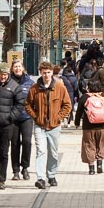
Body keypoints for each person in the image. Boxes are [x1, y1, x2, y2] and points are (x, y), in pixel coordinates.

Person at [24, 60, 72, 189]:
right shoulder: (34, 88)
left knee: (53, 152)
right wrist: (35, 117)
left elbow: (67, 105)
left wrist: (58, 117)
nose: (46, 75)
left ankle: (51, 174)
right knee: (41, 151)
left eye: (48, 73)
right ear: (40, 73)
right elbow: (28, 104)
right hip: (40, 125)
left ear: (52, 73)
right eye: (44, 73)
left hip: (54, 125)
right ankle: (40, 178)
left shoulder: (60, 87)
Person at [75, 79, 104, 175]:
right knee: (100, 145)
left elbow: (79, 112)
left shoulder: (85, 97)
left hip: (88, 127)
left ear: (88, 87)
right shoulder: (103, 97)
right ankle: (99, 164)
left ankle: (91, 168)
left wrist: (77, 123)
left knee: (89, 146)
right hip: (102, 126)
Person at [9, 60, 34, 181]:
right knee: (14, 144)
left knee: (27, 142)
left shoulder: (30, 83)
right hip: (12, 118)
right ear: (12, 69)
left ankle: (25, 167)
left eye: (19, 66)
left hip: (26, 117)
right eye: (15, 67)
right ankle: (15, 170)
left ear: (23, 68)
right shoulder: (8, 82)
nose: (17, 68)